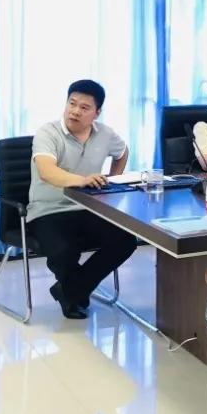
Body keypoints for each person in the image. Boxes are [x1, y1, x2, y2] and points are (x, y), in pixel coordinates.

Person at [28, 80, 137, 320]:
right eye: (72, 103)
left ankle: (69, 291)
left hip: (88, 209)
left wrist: (112, 180)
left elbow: (123, 152)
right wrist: (83, 180)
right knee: (64, 251)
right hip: (48, 210)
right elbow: (47, 171)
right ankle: (75, 295)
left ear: (96, 113)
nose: (75, 111)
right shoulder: (48, 133)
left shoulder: (105, 134)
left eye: (84, 107)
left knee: (126, 240)